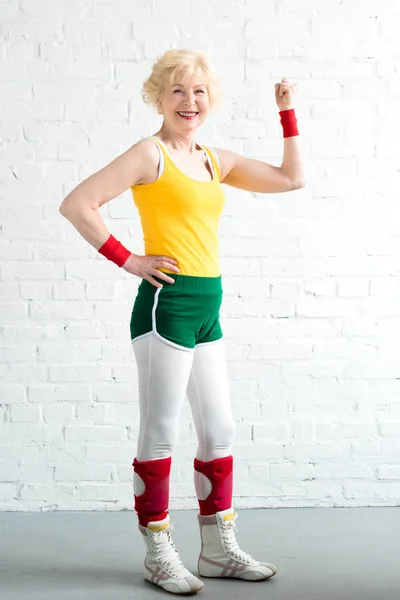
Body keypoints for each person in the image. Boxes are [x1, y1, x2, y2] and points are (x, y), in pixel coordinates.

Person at [60, 48, 305, 595]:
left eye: (197, 92)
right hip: (166, 307)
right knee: (161, 430)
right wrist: (131, 260)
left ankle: (218, 549)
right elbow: (78, 203)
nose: (188, 101)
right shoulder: (149, 154)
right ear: (159, 97)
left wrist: (287, 114)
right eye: (176, 90)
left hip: (208, 307)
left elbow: (292, 179)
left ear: (209, 100)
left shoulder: (215, 160)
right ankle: (158, 553)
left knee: (219, 429)